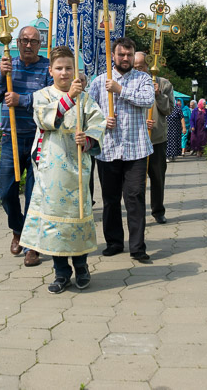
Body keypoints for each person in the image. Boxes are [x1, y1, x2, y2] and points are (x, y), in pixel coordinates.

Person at [19, 46, 105, 294]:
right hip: (51, 168)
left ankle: (82, 267)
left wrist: (87, 139)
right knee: (54, 223)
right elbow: (46, 121)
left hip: (77, 167)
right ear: (51, 71)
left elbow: (97, 123)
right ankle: (60, 273)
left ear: (75, 71)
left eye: (69, 68)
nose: (64, 73)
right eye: (59, 68)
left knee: (76, 217)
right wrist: (69, 98)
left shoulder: (86, 99)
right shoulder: (42, 96)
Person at [0, 26, 52, 267]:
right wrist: (3, 78)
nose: (28, 45)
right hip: (10, 139)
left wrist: (22, 100)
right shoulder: (7, 66)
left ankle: (33, 247)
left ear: (40, 44)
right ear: (16, 42)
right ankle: (18, 229)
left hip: (38, 139)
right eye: (24, 40)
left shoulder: (47, 68)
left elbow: (50, 101)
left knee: (35, 195)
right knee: (5, 192)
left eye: (33, 41)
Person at [87, 37, 155, 263]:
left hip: (136, 148)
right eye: (121, 54)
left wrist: (120, 89)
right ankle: (114, 242)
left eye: (129, 54)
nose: (125, 58)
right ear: (113, 56)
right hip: (108, 148)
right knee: (110, 198)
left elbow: (147, 100)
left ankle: (137, 247)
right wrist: (102, 122)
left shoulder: (142, 78)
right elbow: (88, 111)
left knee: (134, 197)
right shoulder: (99, 82)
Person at [133, 51, 175, 225]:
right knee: (136, 180)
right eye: (135, 67)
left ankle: (158, 210)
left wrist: (159, 95)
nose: (139, 70)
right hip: (135, 140)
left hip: (156, 139)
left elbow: (169, 110)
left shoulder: (163, 84)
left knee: (157, 177)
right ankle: (137, 212)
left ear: (149, 66)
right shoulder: (130, 83)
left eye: (141, 67)